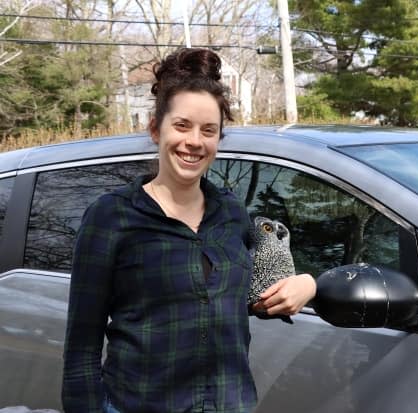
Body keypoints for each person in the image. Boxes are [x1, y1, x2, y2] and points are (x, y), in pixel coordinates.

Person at [62, 47, 317, 413]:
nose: (194, 141)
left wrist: (307, 285)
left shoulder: (231, 213)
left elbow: (242, 300)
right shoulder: (111, 217)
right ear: (155, 129)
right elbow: (81, 353)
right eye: (182, 125)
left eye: (208, 130)